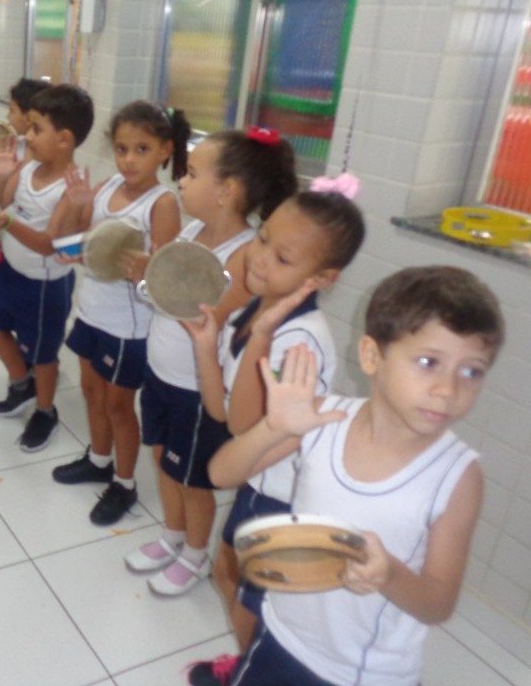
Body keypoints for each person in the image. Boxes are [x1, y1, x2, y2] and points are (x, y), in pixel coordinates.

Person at [206, 266, 503, 686]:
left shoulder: (457, 476)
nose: (448, 389)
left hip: (361, 674)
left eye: (471, 370)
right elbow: (221, 473)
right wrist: (276, 428)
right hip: (279, 632)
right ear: (370, 356)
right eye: (428, 362)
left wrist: (389, 575)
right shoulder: (326, 417)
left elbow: (438, 604)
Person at [186, 168, 366, 686]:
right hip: (257, 479)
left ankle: (252, 669)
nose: (260, 258)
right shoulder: (252, 311)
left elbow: (244, 426)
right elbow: (220, 412)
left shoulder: (296, 340)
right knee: (228, 570)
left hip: (286, 499)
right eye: (264, 239)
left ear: (322, 278)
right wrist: (206, 347)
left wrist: (262, 336)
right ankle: (248, 663)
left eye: (283, 258)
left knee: (252, 594)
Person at [123, 129, 298, 595]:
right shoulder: (191, 231)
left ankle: (196, 554)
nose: (181, 180)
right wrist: (150, 271)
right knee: (162, 460)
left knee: (192, 479)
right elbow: (170, 289)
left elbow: (205, 316)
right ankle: (173, 536)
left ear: (227, 191)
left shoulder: (243, 255)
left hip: (195, 389)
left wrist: (162, 283)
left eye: (193, 173)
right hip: (161, 373)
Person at [50, 100, 183, 526]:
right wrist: (76, 203)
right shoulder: (107, 186)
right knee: (91, 393)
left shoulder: (162, 205)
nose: (128, 159)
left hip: (129, 328)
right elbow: (86, 238)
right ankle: (99, 458)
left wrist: (142, 268)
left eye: (141, 149)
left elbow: (164, 278)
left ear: (164, 150)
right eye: (122, 149)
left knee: (118, 406)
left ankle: (124, 484)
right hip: (91, 312)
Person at [0, 84, 94, 451]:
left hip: (45, 286)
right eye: (28, 127)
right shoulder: (27, 168)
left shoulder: (70, 186)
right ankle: (20, 383)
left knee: (43, 356)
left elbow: (50, 244)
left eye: (36, 129)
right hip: (12, 272)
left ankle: (45, 410)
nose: (27, 136)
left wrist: (7, 223)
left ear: (64, 140)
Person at [6, 77, 50, 161]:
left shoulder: (42, 155)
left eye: (12, 110)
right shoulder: (18, 144)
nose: (8, 116)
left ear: (28, 116)